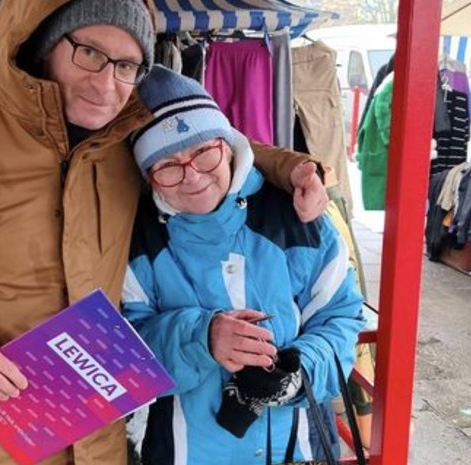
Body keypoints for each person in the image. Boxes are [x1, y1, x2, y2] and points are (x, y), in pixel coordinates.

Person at [0, 1, 328, 464]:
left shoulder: (123, 137)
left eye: (126, 65)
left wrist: (291, 169)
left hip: (96, 430)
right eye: (89, 53)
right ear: (45, 44)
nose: (106, 84)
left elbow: (203, 139)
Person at [121, 65, 365, 465]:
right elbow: (124, 351)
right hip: (183, 453)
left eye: (204, 152)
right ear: (149, 176)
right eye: (168, 165)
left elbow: (341, 317)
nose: (192, 176)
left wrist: (298, 373)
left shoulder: (296, 220)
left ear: (229, 144)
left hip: (299, 449)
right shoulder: (137, 242)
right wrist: (201, 338)